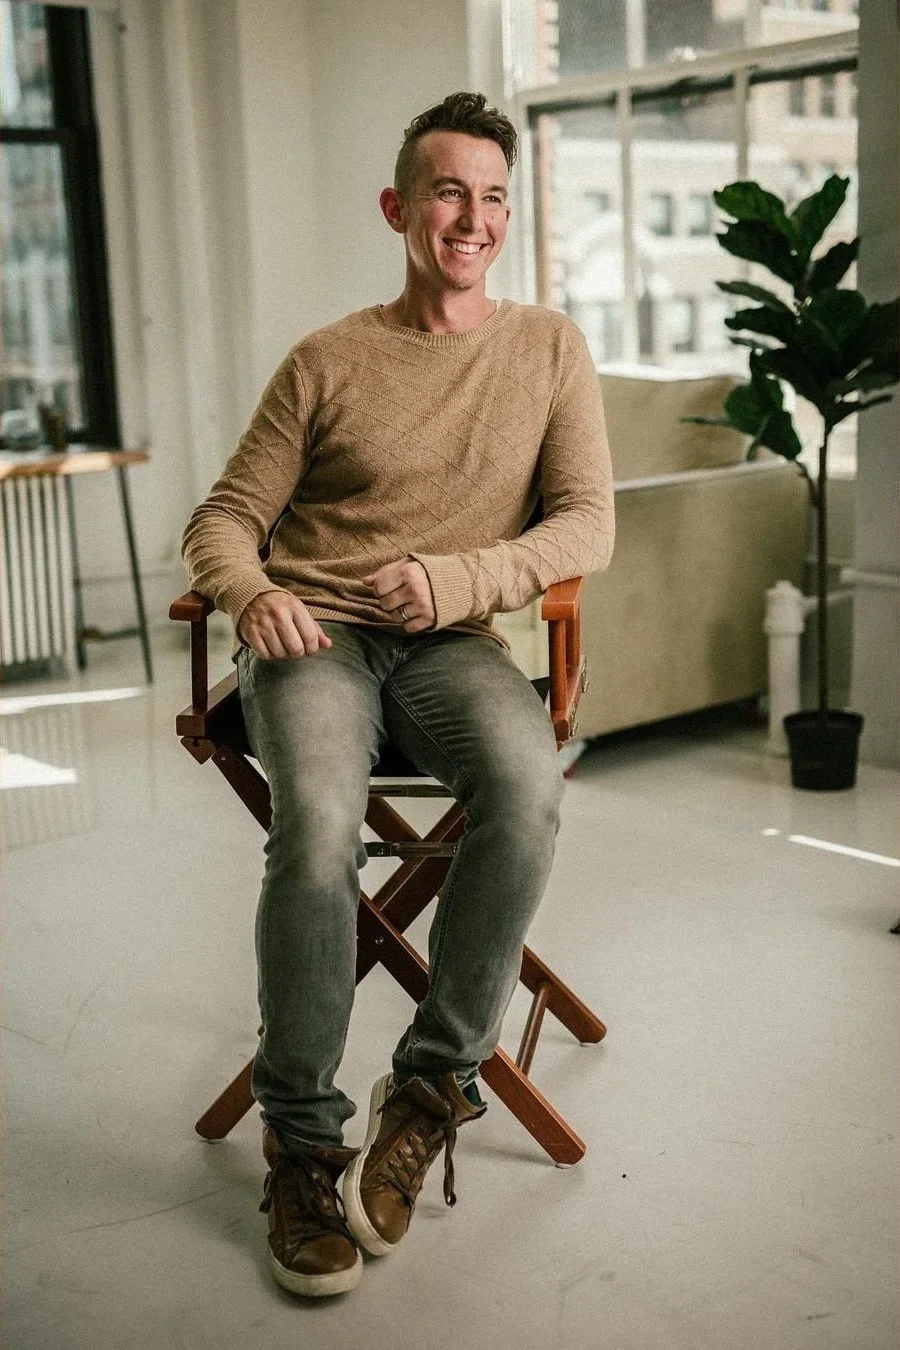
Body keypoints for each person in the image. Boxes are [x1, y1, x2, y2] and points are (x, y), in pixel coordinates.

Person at [182, 91, 614, 1299]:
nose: (469, 218)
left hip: (452, 642)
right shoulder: (326, 359)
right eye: (446, 192)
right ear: (399, 208)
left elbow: (587, 519)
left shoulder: (546, 350)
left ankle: (427, 1091)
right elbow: (222, 518)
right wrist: (251, 594)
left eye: (490, 197)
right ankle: (305, 1145)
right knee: (316, 831)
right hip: (312, 635)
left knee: (528, 792)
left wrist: (461, 576)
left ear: (506, 217)